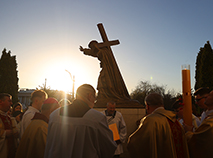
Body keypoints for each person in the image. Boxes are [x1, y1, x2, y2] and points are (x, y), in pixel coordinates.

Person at [44, 84, 117, 158]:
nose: (94, 102)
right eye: (94, 98)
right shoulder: (97, 118)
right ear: (90, 95)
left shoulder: (54, 115)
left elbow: (49, 144)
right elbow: (108, 148)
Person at [127, 93, 189, 158]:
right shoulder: (175, 121)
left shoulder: (150, 120)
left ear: (147, 106)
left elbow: (134, 143)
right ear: (162, 104)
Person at [185, 90, 213, 158]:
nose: (196, 103)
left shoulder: (210, 121)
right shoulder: (205, 114)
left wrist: (189, 132)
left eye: (209, 95)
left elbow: (200, 140)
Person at [0, 93, 19, 158]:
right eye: (9, 101)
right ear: (1, 102)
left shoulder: (9, 118)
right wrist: (4, 133)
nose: (11, 104)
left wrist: (16, 133)